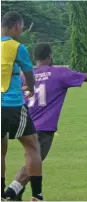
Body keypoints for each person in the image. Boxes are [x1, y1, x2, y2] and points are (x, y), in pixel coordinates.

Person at [5, 42, 87, 201]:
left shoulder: (26, 75)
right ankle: (9, 193)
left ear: (34, 57)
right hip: (44, 128)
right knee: (34, 164)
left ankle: (15, 195)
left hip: (24, 125)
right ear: (50, 56)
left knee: (31, 160)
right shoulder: (59, 73)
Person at [1, 11, 44, 201]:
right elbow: (29, 72)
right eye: (22, 28)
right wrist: (31, 89)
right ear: (16, 26)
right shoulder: (17, 47)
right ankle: (37, 195)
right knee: (32, 145)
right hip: (12, 105)